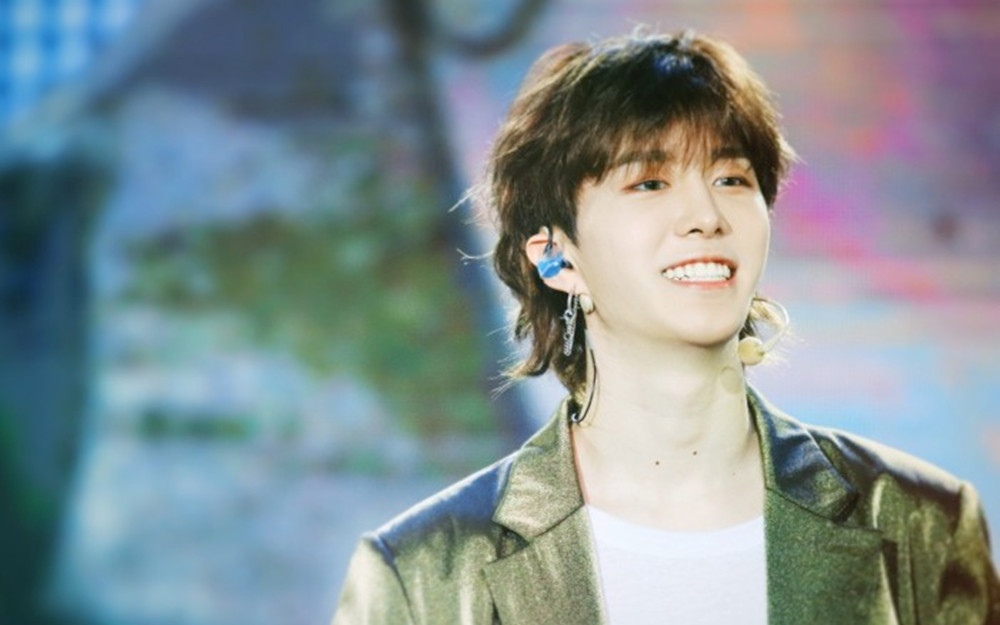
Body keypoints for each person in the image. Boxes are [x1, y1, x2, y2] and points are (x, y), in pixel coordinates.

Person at [330, 29, 1000, 624]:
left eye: (732, 178)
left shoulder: (920, 523)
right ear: (556, 256)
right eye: (650, 183)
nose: (706, 216)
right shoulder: (425, 570)